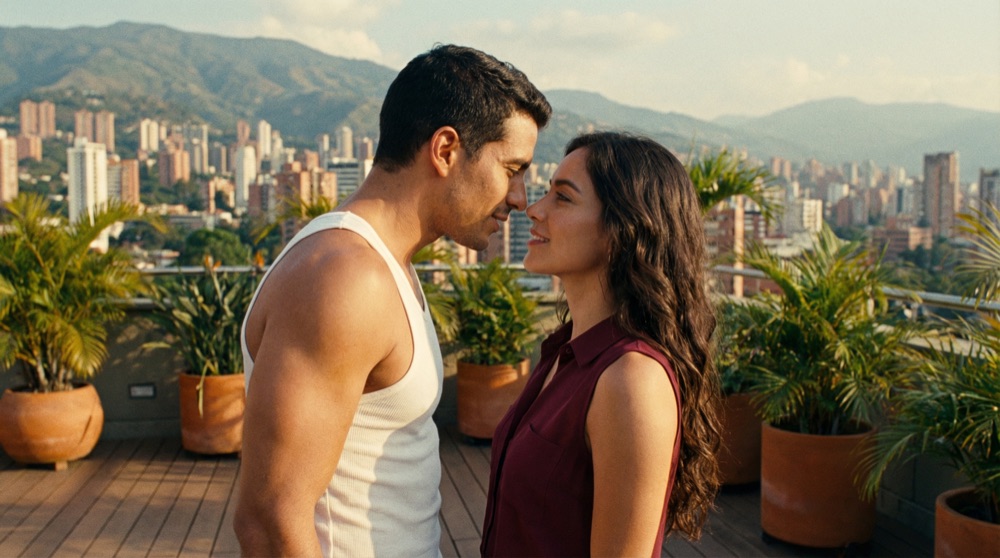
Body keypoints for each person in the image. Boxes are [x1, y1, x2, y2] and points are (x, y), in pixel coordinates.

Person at [233, 44, 551, 557]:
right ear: (445, 150)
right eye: (512, 168)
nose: (519, 197)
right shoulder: (345, 277)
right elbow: (269, 520)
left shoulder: (383, 263)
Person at [480, 132, 722, 557]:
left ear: (622, 231)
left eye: (563, 198)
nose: (534, 210)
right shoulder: (565, 352)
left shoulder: (632, 381)